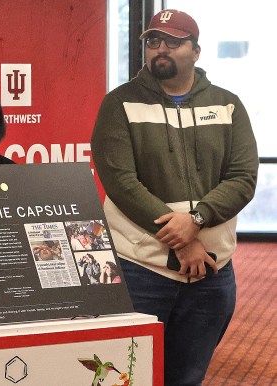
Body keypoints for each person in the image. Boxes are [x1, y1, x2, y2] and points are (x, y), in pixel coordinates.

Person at [91, 9, 258, 385]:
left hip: (211, 272)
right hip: (139, 271)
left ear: (196, 51)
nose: (160, 48)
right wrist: (182, 242)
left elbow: (243, 178)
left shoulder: (227, 105)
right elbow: (121, 182)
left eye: (173, 41)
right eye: (153, 41)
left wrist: (195, 220)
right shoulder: (119, 105)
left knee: (187, 377)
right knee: (126, 376)